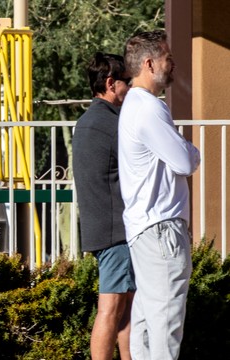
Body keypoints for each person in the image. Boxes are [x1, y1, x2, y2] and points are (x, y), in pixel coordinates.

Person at [118, 30, 200, 360]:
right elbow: (185, 160)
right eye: (167, 57)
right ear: (150, 64)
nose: (172, 62)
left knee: (146, 324)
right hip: (162, 229)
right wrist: (192, 150)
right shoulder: (149, 108)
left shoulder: (133, 106)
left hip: (145, 230)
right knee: (164, 324)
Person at [73, 52, 135, 360]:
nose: (132, 88)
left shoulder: (88, 120)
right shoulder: (109, 123)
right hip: (116, 230)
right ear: (111, 83)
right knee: (111, 308)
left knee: (125, 310)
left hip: (104, 227)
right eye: (128, 82)